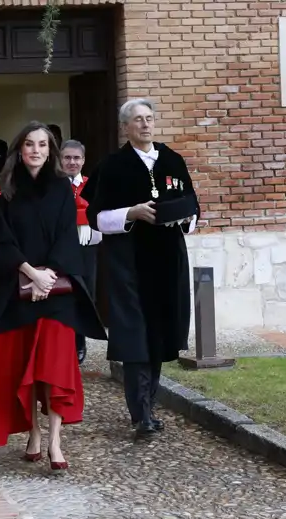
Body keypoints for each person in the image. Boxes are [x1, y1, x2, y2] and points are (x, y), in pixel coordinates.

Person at [0, 121, 107, 469]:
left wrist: (49, 277)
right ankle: (33, 432)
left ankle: (55, 441)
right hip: (16, 291)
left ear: (51, 151)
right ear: (19, 149)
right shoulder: (2, 190)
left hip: (56, 292)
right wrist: (30, 273)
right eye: (29, 144)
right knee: (21, 367)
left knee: (53, 368)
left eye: (43, 145)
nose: (36, 150)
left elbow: (66, 235)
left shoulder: (61, 187)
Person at [82, 98, 199, 436]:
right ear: (126, 127)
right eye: (138, 120)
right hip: (128, 264)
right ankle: (141, 413)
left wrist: (185, 217)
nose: (145, 125)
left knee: (159, 335)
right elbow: (98, 218)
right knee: (135, 337)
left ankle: (148, 404)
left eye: (149, 118)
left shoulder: (173, 160)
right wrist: (131, 213)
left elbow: (192, 207)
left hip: (166, 261)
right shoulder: (113, 166)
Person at [60, 139, 102, 364]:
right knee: (63, 294)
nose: (72, 162)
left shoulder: (91, 184)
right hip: (61, 247)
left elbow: (100, 209)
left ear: (83, 160)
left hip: (88, 247)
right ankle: (64, 343)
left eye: (76, 158)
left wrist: (84, 218)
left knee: (87, 294)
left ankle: (80, 341)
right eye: (67, 158)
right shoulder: (54, 184)